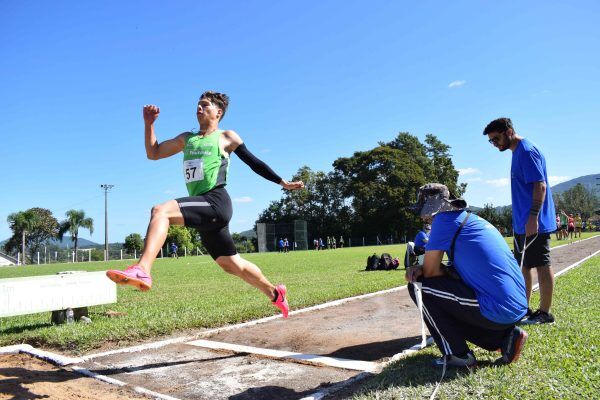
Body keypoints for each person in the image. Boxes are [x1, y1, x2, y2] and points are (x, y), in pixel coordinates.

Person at [106, 91, 304, 318]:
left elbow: (255, 163)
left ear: (218, 112)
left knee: (160, 211)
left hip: (215, 201)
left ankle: (142, 269)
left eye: (205, 105)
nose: (199, 108)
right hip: (203, 208)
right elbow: (154, 153)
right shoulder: (186, 138)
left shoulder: (226, 136)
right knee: (232, 265)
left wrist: (283, 182)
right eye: (197, 105)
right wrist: (148, 124)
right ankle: (275, 293)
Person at [406, 183, 528, 367]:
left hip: (498, 307)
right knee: (448, 298)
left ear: (431, 209)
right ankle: (504, 339)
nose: (423, 217)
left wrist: (418, 269)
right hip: (515, 306)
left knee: (420, 287)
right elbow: (456, 271)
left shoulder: (443, 220)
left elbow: (430, 273)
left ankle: (458, 354)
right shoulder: (470, 219)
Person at [484, 118, 557, 324]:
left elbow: (540, 186)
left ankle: (545, 313)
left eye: (496, 138)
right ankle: (523, 309)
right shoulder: (517, 153)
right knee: (523, 267)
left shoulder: (526, 151)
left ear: (509, 132)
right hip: (522, 223)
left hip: (534, 222)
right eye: (491, 141)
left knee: (542, 264)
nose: (495, 143)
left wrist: (533, 217)